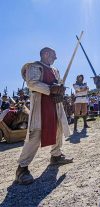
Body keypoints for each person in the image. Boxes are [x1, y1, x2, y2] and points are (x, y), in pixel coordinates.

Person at [16, 47, 73, 185]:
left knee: (58, 129)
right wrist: (50, 89)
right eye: (54, 55)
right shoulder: (34, 66)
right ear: (45, 54)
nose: (56, 58)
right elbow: (32, 83)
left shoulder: (55, 70)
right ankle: (22, 169)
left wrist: (60, 90)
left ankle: (56, 156)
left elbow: (58, 84)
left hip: (54, 104)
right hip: (41, 104)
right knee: (35, 133)